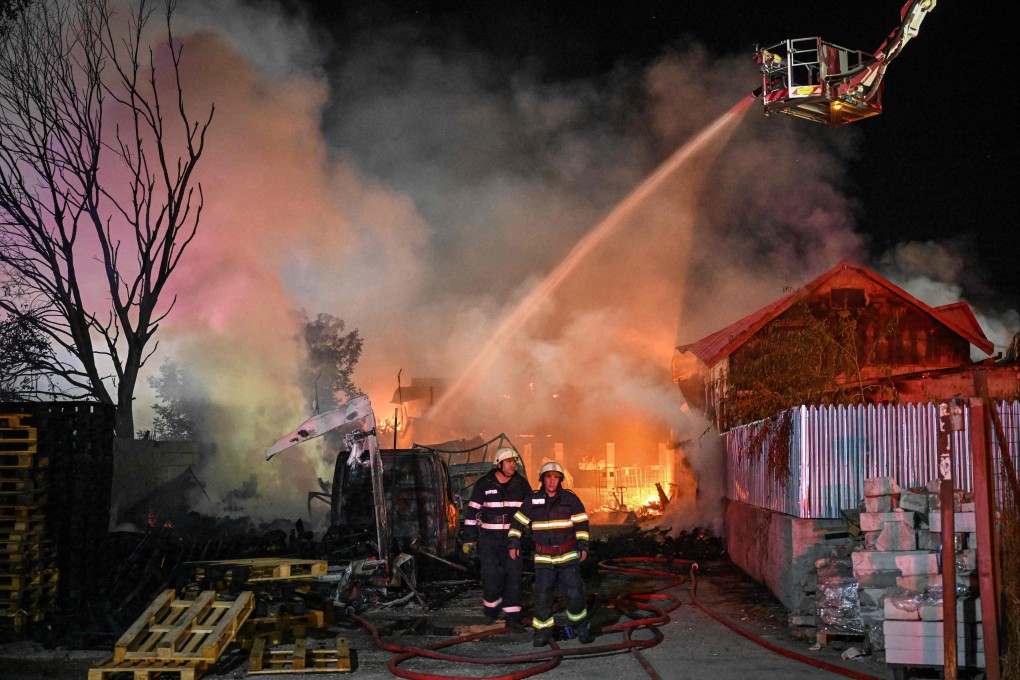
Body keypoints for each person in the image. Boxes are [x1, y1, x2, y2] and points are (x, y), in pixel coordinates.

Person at [509, 461, 594, 646]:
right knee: (542, 596)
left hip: (569, 555)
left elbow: (582, 523)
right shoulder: (532, 501)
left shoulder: (570, 499)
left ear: (560, 480)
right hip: (543, 558)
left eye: (556, 477)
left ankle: (581, 628)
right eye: (548, 477)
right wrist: (513, 542)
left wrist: (583, 545)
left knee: (574, 594)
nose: (552, 481)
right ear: (542, 479)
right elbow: (517, 523)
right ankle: (542, 633)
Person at [461, 447, 532, 627]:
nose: (512, 465)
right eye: (509, 462)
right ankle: (491, 610)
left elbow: (531, 511)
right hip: (489, 540)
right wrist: (469, 538)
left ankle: (513, 617)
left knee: (514, 577)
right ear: (499, 464)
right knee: (491, 575)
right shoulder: (484, 484)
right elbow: (472, 512)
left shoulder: (521, 484)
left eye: (514, 462)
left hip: (513, 540)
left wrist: (536, 535)